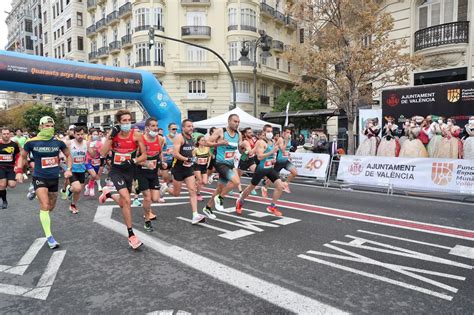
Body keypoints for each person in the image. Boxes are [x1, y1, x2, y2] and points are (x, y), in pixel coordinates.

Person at [16, 116, 72, 249]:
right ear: (40, 127)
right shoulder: (31, 142)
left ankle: (34, 191)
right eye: (46, 125)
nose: (49, 128)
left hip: (54, 178)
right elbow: (22, 157)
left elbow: (68, 155)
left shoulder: (58, 142)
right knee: (45, 205)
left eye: (51, 125)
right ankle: (49, 237)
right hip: (39, 176)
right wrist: (19, 171)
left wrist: (69, 169)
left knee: (51, 207)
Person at [99, 109, 147, 249]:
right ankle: (131, 235)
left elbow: (144, 155)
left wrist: (133, 161)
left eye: (129, 120)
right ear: (118, 123)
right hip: (116, 170)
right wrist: (110, 137)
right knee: (126, 199)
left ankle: (108, 194)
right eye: (124, 121)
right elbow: (102, 153)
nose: (127, 123)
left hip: (130, 170)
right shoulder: (113, 135)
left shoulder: (137, 135)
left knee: (124, 201)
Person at [164, 119, 207, 224]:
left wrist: (193, 157)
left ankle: (195, 215)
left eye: (191, 126)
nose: (191, 128)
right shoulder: (179, 138)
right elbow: (175, 154)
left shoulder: (192, 138)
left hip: (188, 169)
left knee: (192, 190)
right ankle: (165, 188)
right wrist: (187, 159)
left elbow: (191, 151)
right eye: (188, 126)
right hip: (178, 169)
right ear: (183, 128)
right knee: (176, 193)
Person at [236, 124, 284, 216]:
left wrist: (272, 159)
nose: (270, 133)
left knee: (280, 186)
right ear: (264, 132)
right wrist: (271, 152)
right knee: (251, 188)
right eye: (268, 131)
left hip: (269, 168)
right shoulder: (261, 142)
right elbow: (260, 157)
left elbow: (253, 152)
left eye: (271, 131)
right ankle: (240, 202)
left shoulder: (271, 141)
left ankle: (272, 207)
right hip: (261, 169)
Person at [203, 114, 241, 214]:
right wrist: (219, 143)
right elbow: (206, 143)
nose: (236, 124)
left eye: (238, 122)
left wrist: (244, 149)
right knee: (236, 181)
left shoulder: (238, 134)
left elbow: (240, 149)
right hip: (220, 163)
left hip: (230, 163)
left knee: (220, 188)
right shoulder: (221, 131)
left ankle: (208, 207)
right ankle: (220, 198)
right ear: (229, 121)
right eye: (234, 121)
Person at [134, 117, 166, 232]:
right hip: (141, 172)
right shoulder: (141, 139)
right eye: (153, 126)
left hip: (153, 172)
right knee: (147, 197)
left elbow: (159, 154)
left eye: (156, 126)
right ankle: (147, 220)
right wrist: (145, 163)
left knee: (155, 198)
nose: (155, 128)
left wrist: (162, 164)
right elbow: (135, 158)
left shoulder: (161, 139)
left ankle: (163, 189)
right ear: (147, 128)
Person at [65, 126, 88, 214]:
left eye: (82, 134)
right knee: (77, 189)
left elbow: (92, 154)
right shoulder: (69, 143)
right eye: (78, 134)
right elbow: (61, 151)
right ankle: (71, 191)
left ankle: (73, 203)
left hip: (82, 169)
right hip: (71, 169)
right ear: (74, 134)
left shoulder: (87, 143)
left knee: (78, 191)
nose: (80, 136)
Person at [0, 128, 21, 209]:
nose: (6, 135)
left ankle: (1, 190)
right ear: (1, 135)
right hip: (1, 167)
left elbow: (18, 156)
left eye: (7, 134)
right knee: (2, 184)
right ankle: (4, 201)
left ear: (10, 134)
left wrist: (17, 165)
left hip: (11, 167)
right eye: (4, 134)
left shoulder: (14, 144)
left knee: (12, 185)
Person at [274, 126, 298, 193]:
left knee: (294, 172)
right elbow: (282, 149)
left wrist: (288, 155)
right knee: (271, 177)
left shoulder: (289, 140)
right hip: (279, 161)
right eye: (287, 132)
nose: (289, 134)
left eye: (289, 132)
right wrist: (286, 141)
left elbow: (286, 150)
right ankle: (264, 187)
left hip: (285, 160)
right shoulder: (281, 139)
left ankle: (285, 183)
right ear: (283, 132)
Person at [237, 127, 258, 195]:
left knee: (256, 172)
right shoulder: (245, 141)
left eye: (251, 132)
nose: (251, 134)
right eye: (249, 133)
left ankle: (252, 188)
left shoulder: (252, 139)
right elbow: (248, 152)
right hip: (244, 159)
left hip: (251, 159)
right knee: (238, 176)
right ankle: (233, 188)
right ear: (245, 134)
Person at [84, 128, 102, 197]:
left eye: (97, 134)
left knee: (93, 176)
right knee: (94, 175)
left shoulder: (100, 143)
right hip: (88, 161)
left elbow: (102, 153)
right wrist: (91, 147)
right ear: (90, 135)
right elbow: (92, 154)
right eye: (94, 134)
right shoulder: (87, 143)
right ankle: (91, 188)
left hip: (97, 162)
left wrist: (97, 148)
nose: (96, 136)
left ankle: (88, 187)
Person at [193, 135, 210, 201]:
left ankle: (195, 185)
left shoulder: (207, 148)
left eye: (204, 140)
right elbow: (193, 158)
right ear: (199, 142)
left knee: (205, 182)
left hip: (204, 166)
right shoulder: (195, 149)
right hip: (197, 166)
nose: (204, 141)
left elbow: (209, 156)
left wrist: (208, 162)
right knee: (200, 180)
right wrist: (196, 160)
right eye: (202, 140)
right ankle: (198, 194)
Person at [161, 122, 178, 188]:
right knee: (165, 177)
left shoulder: (178, 138)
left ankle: (171, 183)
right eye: (173, 129)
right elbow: (160, 150)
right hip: (166, 160)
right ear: (169, 129)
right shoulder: (164, 139)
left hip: (175, 160)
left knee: (176, 175)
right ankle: (167, 184)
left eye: (176, 129)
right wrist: (165, 155)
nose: (175, 131)